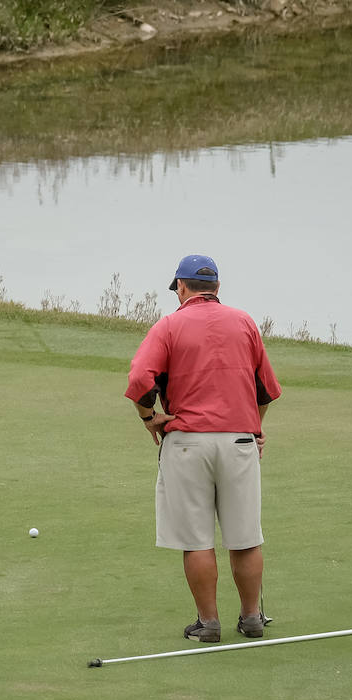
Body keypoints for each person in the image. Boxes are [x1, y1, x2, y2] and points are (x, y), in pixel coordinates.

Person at [125, 254, 281, 642]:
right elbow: (266, 390)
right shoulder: (244, 322)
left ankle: (208, 623)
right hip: (240, 444)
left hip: (187, 445)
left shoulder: (169, 325)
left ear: (181, 287)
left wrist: (149, 418)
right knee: (245, 537)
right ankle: (251, 619)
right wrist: (253, 426)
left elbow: (140, 379)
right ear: (217, 288)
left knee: (197, 539)